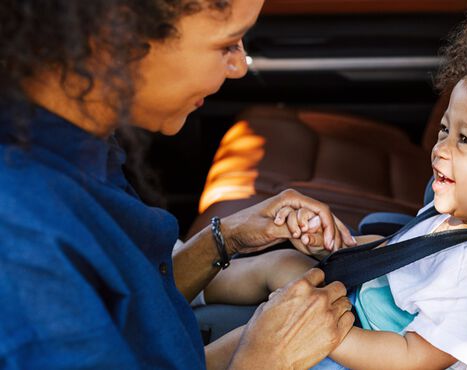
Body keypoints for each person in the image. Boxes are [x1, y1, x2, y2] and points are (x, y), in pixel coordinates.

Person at [202, 19, 467, 369]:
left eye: (465, 140)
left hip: (370, 353)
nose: (441, 147)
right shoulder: (462, 211)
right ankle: (187, 290)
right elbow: (406, 256)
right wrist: (345, 247)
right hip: (361, 317)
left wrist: (326, 335)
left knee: (263, 335)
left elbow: (414, 357)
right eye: (446, 129)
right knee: (286, 263)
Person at [0, 0, 358, 369]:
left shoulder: (72, 144)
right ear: (116, 37)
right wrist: (265, 359)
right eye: (227, 45)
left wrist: (223, 240)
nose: (238, 68)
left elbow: (133, 309)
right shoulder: (22, 240)